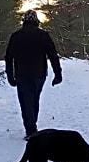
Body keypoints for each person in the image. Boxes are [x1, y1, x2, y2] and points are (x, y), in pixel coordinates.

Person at [4, 9, 62, 139]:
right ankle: (32, 126)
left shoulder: (16, 36)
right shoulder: (43, 35)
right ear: (36, 21)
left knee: (26, 102)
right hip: (39, 74)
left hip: (22, 74)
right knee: (35, 99)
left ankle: (30, 129)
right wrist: (58, 74)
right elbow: (53, 55)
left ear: (24, 21)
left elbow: (9, 57)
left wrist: (10, 75)